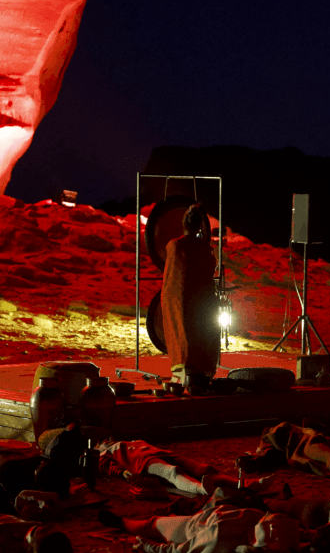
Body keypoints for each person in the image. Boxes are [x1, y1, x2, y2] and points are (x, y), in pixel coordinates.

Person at [98, 505, 301, 553]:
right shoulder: (257, 517)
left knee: (151, 526)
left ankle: (122, 522)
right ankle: (175, 510)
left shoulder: (217, 539)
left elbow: (181, 551)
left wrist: (147, 546)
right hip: (208, 515)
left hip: (189, 528)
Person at [161, 203, 220, 395]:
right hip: (196, 301)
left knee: (182, 338)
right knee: (197, 338)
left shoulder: (174, 246)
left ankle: (185, 376)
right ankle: (198, 377)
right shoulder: (202, 249)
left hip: (176, 301)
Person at [97, 439, 270, 495]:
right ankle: (201, 489)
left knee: (205, 470)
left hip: (163, 453)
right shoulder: (105, 454)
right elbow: (107, 467)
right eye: (101, 443)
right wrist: (123, 472)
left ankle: (246, 485)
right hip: (142, 463)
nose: (104, 441)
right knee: (172, 472)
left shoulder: (130, 441)